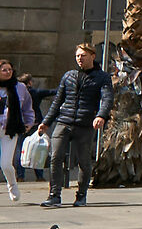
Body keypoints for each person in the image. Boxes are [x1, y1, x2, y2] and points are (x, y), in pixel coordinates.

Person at [39, 44, 109, 209]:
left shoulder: (102, 77)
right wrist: (46, 122)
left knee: (84, 161)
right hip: (64, 122)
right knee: (55, 157)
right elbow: (58, 101)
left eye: (83, 55)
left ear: (92, 56)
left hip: (85, 124)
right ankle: (54, 195)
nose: (80, 58)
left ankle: (81, 196)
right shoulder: (68, 76)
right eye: (77, 55)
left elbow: (107, 98)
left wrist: (101, 115)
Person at [0, 62, 33, 203]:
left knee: (6, 164)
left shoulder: (19, 87)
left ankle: (12, 185)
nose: (8, 72)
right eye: (4, 70)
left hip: (10, 129)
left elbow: (27, 108)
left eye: (10, 70)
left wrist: (29, 123)